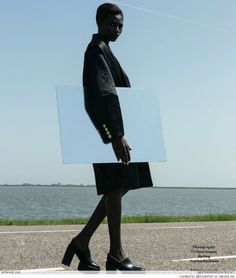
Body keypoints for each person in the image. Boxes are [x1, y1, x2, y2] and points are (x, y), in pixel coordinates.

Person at [62, 3, 153, 271]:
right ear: (99, 22)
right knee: (116, 186)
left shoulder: (104, 51)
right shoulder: (96, 51)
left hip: (110, 132)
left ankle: (82, 241)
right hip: (107, 133)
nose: (117, 29)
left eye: (121, 25)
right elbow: (104, 94)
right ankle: (116, 253)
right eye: (112, 24)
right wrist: (116, 135)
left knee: (121, 185)